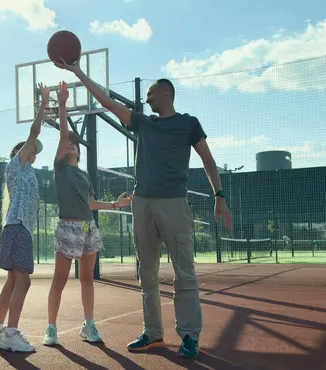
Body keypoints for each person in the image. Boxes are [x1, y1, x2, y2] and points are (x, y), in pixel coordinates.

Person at [54, 59, 232, 358]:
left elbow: (208, 160)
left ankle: (189, 335)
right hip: (143, 203)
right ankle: (153, 333)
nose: (146, 98)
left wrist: (220, 195)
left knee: (184, 272)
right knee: (146, 272)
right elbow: (106, 101)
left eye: (150, 93)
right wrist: (77, 72)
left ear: (166, 92)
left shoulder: (189, 123)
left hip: (175, 203)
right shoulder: (142, 123)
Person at [42, 81, 132, 346]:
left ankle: (89, 325)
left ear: (79, 153)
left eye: (74, 145)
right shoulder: (61, 170)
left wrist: (115, 205)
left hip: (88, 228)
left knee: (87, 280)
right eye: (67, 144)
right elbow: (62, 136)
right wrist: (62, 103)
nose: (70, 145)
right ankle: (51, 327)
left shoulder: (82, 175)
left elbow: (91, 203)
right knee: (59, 281)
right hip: (67, 228)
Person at [0, 83, 50, 353]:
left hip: (18, 228)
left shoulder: (27, 172)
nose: (35, 152)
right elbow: (33, 132)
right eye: (32, 149)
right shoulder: (17, 163)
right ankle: (11, 334)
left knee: (13, 281)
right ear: (22, 151)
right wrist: (44, 104)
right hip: (18, 228)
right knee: (23, 281)